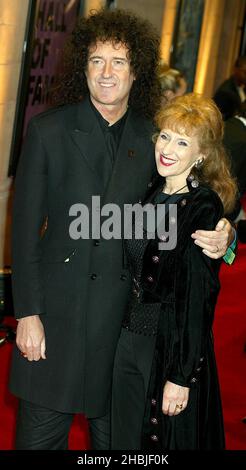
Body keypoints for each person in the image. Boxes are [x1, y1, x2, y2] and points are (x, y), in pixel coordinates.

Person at [9, 9, 234, 450]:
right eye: (97, 60)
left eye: (119, 62)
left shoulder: (155, 138)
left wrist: (228, 237)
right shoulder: (48, 131)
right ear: (83, 67)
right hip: (56, 317)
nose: (107, 73)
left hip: (124, 335)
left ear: (137, 73)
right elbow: (21, 232)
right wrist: (27, 313)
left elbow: (197, 198)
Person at [111, 93, 237, 450]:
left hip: (164, 346)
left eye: (182, 142)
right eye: (164, 135)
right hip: (126, 340)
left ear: (201, 155)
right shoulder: (151, 189)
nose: (167, 148)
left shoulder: (201, 205)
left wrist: (181, 376)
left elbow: (199, 296)